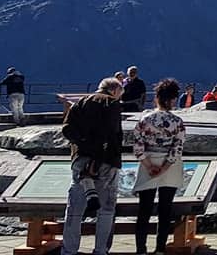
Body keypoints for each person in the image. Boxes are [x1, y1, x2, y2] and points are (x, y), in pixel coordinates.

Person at [60, 78, 124, 255]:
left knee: (74, 208)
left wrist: (82, 144)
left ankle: (69, 250)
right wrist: (96, 156)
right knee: (106, 208)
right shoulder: (111, 103)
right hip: (106, 160)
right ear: (114, 90)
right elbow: (110, 132)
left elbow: (66, 129)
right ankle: (100, 250)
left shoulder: (80, 102)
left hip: (80, 158)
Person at [132, 79, 186, 255]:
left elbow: (138, 144)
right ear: (171, 99)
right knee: (165, 208)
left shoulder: (145, 119)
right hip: (169, 167)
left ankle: (141, 249)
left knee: (144, 209)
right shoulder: (177, 121)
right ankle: (160, 248)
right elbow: (177, 147)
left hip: (149, 162)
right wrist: (164, 168)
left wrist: (148, 165)